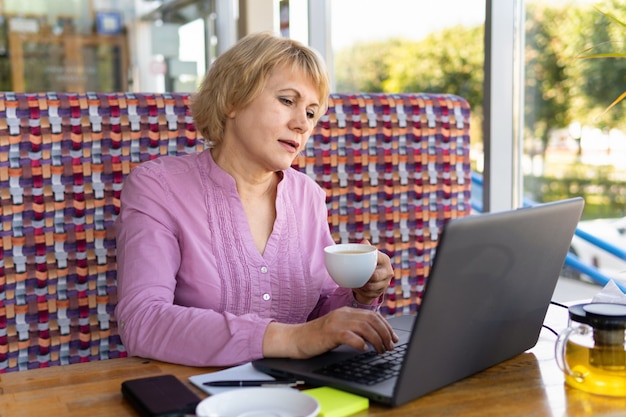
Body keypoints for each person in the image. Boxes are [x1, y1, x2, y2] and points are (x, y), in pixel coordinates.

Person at [114, 32, 398, 367]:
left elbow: (320, 314)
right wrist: (293, 338)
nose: (301, 124)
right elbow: (143, 321)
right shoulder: (157, 187)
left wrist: (359, 296)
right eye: (288, 101)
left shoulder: (308, 196)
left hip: (302, 392)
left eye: (311, 112)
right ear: (234, 99)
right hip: (195, 396)